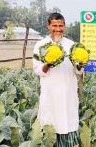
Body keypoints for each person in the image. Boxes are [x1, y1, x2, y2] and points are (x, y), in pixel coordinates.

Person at [33, 12, 83, 147]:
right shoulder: (41, 45)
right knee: (50, 127)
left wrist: (81, 64)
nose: (58, 29)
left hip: (68, 94)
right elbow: (38, 70)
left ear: (64, 27)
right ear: (48, 26)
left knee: (69, 126)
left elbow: (78, 71)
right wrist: (48, 63)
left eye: (61, 26)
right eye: (54, 25)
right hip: (50, 95)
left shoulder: (72, 45)